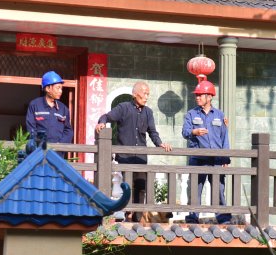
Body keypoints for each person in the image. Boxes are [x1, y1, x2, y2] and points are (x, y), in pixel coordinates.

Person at [95, 81, 171, 221]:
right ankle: (126, 214)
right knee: (128, 186)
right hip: (125, 156)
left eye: (148, 94)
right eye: (144, 93)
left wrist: (160, 144)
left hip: (140, 157)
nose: (146, 97)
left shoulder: (148, 112)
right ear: (135, 94)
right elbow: (107, 116)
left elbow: (152, 132)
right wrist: (102, 122)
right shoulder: (123, 108)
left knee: (141, 186)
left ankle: (137, 217)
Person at [182, 77, 231, 224]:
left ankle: (223, 218)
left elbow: (224, 137)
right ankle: (193, 218)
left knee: (218, 189)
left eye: (200, 95)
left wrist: (226, 158)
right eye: (196, 95)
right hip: (198, 158)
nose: (197, 97)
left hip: (217, 159)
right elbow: (185, 132)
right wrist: (194, 132)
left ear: (209, 97)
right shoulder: (191, 114)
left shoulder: (220, 115)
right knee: (195, 189)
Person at [25, 71, 73, 146]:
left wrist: (60, 145)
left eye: (61, 88)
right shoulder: (35, 105)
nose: (60, 91)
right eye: (58, 88)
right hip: (39, 149)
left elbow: (68, 131)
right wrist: (39, 144)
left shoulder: (63, 109)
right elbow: (31, 128)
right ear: (48, 88)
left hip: (58, 150)